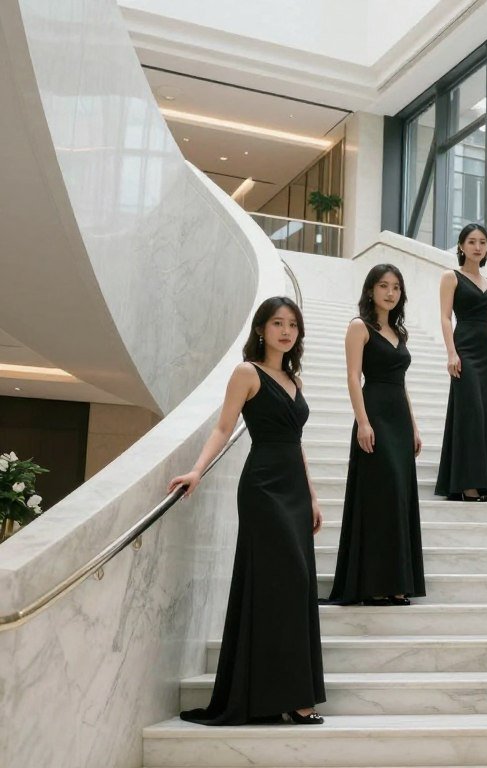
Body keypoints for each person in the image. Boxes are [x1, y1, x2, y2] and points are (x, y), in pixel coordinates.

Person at [170, 296, 325, 726]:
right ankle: (288, 697)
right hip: (262, 488)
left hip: (293, 488)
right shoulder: (247, 373)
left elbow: (297, 443)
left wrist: (311, 495)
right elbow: (224, 426)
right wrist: (197, 471)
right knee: (282, 582)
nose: (286, 331)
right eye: (278, 323)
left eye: (293, 324)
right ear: (262, 329)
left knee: (293, 587)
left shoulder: (294, 380)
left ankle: (288, 694)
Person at [325, 264, 425, 606]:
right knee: (381, 496)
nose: (390, 293)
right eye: (384, 286)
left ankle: (398, 582)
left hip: (398, 418)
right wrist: (363, 422)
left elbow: (403, 384)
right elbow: (353, 377)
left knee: (399, 497)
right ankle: (375, 584)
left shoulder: (400, 333)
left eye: (396, 287)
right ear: (371, 290)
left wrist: (413, 425)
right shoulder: (359, 327)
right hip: (375, 416)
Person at [435, 223, 487, 501]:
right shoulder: (451, 277)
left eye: (482, 242)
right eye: (471, 241)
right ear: (461, 246)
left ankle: (484, 482)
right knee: (471, 413)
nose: (477, 247)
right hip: (464, 348)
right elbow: (445, 317)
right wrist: (451, 353)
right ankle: (467, 483)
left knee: (486, 414)